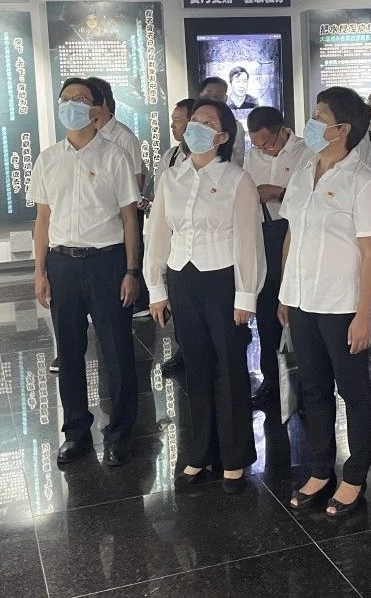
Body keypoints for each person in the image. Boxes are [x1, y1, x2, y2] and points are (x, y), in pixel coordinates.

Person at [145, 99, 265, 494]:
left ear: (223, 136)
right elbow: (157, 234)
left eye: (207, 122)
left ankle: (234, 458)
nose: (196, 125)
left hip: (223, 279)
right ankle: (199, 451)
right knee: (194, 367)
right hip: (183, 277)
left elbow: (248, 240)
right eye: (194, 119)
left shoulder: (236, 179)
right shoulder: (171, 177)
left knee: (229, 367)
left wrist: (246, 295)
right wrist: (156, 287)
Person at [279, 87, 371, 518]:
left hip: (342, 305)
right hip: (302, 300)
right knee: (313, 388)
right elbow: (292, 233)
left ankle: (354, 477)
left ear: (342, 129)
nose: (311, 122)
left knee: (353, 391)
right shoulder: (303, 171)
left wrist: (364, 315)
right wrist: (286, 292)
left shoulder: (364, 182)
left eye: (319, 115)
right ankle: (320, 470)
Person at [30, 78, 141, 467]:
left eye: (80, 99)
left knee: (117, 351)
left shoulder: (115, 157)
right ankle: (76, 433)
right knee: (69, 352)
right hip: (62, 264)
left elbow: (130, 218)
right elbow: (43, 219)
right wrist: (40, 271)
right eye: (66, 99)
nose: (71, 104)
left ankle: (121, 434)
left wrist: (131, 270)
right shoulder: (48, 159)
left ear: (96, 108)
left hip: (107, 263)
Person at [244, 106, 312, 406]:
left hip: (295, 233)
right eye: (257, 144)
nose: (263, 149)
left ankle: (307, 385)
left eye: (268, 143)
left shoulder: (305, 153)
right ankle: (271, 380)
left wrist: (278, 192)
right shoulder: (251, 156)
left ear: (282, 131)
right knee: (266, 310)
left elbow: (312, 195)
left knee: (298, 310)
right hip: (262, 235)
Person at [86, 76, 150, 318]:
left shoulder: (123, 137)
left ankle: (138, 301)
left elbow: (136, 181)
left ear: (102, 103)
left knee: (128, 258)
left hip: (124, 210)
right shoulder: (88, 136)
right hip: (99, 214)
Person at [150, 98, 196, 375]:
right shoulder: (169, 157)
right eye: (173, 120)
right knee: (179, 304)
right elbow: (160, 200)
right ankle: (184, 349)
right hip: (175, 241)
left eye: (179, 120)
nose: (173, 125)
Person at [198, 76, 246, 164]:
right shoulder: (192, 123)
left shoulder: (235, 126)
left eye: (217, 96)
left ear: (225, 99)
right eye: (208, 95)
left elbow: (238, 158)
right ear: (201, 95)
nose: (212, 99)